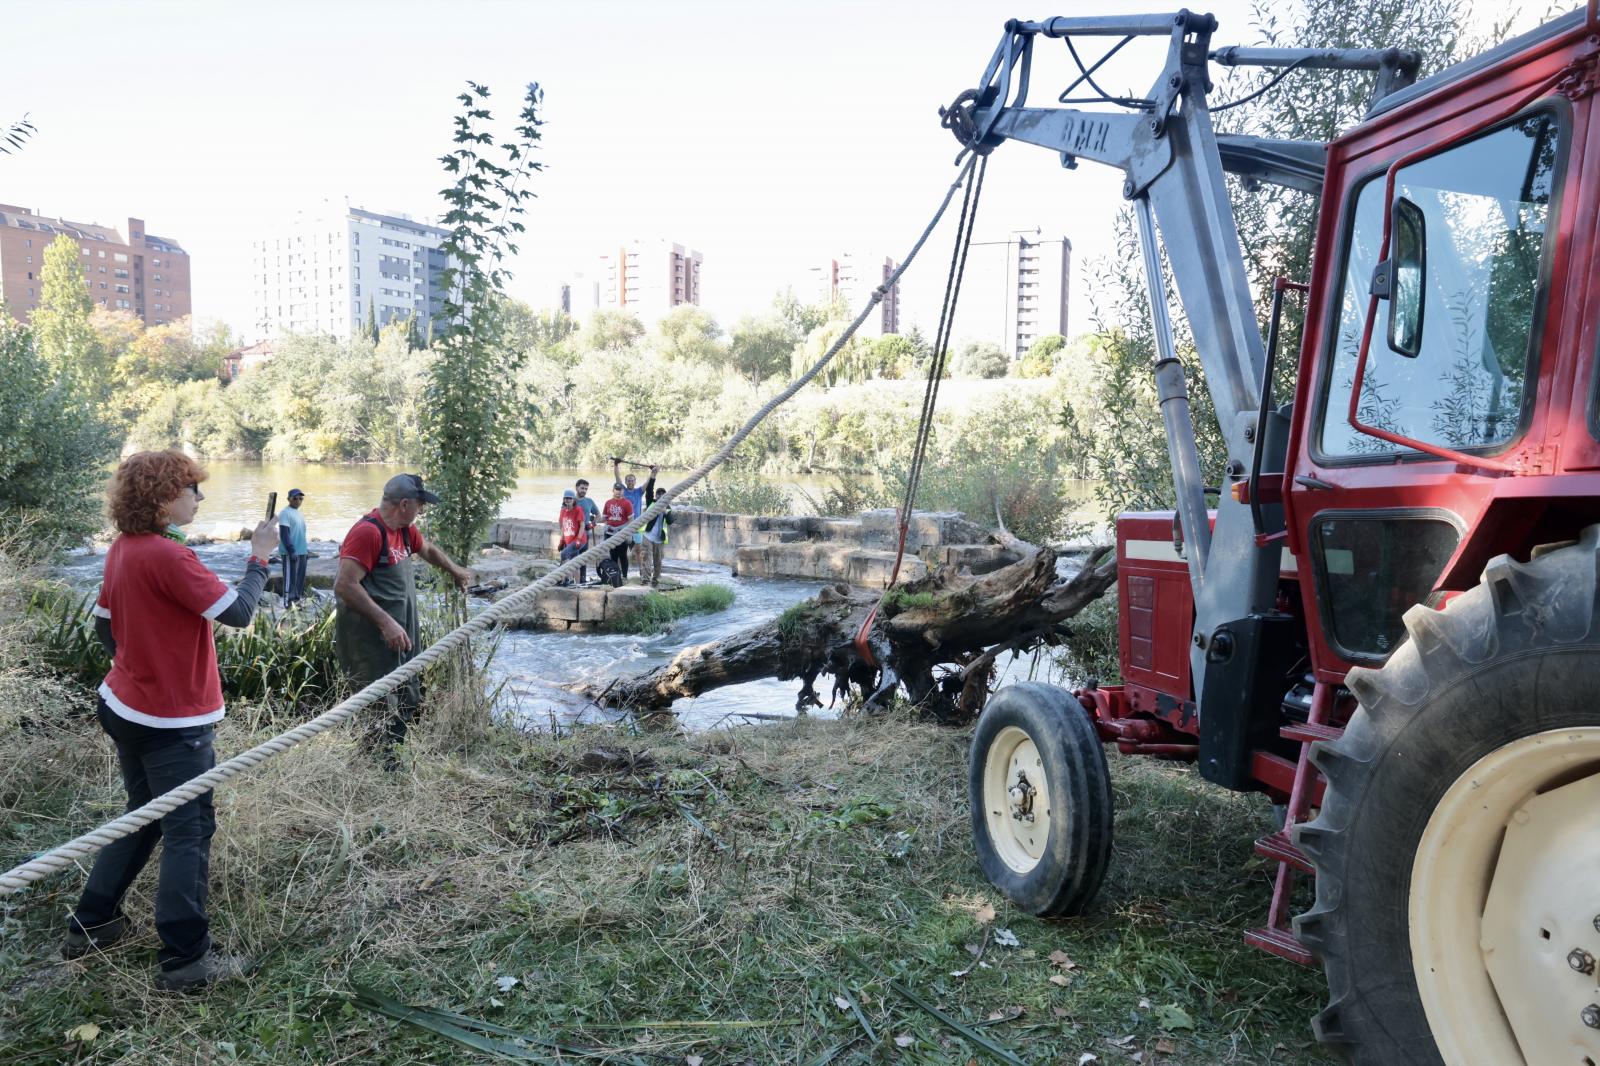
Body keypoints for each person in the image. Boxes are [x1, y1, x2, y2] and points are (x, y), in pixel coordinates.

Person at [64, 450, 279, 991]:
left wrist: (141, 663)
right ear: (163, 497)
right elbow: (238, 614)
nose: (200, 498)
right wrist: (259, 558)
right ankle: (186, 960)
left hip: (122, 706)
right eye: (192, 489)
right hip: (169, 724)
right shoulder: (168, 556)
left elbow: (104, 629)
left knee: (144, 815)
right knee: (189, 830)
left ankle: (92, 925)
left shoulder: (123, 548)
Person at [333, 473, 471, 754]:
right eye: (421, 504)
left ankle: (393, 762)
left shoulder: (405, 530)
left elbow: (428, 550)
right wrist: (385, 623)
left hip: (402, 634)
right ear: (405, 504)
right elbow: (345, 584)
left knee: (408, 695)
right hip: (370, 639)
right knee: (378, 704)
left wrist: (455, 570)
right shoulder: (368, 533)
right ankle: (373, 767)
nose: (422, 510)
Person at [639, 471, 673, 588]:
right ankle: (645, 580)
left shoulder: (668, 507)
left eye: (663, 495)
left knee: (658, 561)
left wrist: (665, 512)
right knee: (646, 558)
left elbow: (671, 521)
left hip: (659, 539)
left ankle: (656, 580)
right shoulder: (651, 503)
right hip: (647, 536)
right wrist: (653, 476)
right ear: (656, 496)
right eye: (658, 494)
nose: (660, 496)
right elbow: (649, 491)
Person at [613, 458, 648, 572]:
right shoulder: (623, 491)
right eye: (628, 480)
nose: (630, 482)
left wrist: (652, 472)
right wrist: (616, 465)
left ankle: (642, 571)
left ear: (635, 481)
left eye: (632, 480)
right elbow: (617, 478)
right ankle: (620, 572)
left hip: (637, 525)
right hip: (625, 524)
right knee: (621, 550)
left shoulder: (639, 491)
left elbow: (648, 483)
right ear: (626, 482)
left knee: (638, 550)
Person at [277, 488, 309, 605]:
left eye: (301, 498)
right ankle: (287, 602)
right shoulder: (285, 513)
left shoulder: (300, 513)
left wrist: (306, 550)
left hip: (302, 551)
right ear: (288, 499)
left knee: (299, 579)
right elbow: (284, 534)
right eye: (295, 498)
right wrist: (291, 550)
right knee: (290, 579)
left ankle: (296, 601)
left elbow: (301, 533)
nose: (298, 501)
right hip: (291, 552)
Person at [599, 481, 635, 584]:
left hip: (622, 533)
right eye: (617, 490)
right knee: (613, 555)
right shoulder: (608, 502)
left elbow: (631, 520)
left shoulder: (627, 503)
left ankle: (624, 576)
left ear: (623, 491)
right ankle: (615, 575)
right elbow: (604, 518)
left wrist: (629, 534)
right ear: (613, 490)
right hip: (610, 533)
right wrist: (595, 521)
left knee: (623, 555)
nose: (618, 492)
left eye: (620, 490)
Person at [556, 487, 589, 585]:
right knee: (575, 563)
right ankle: (577, 585)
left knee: (563, 555)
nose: (568, 500)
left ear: (573, 500)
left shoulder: (578, 510)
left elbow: (582, 525)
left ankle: (566, 579)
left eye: (570, 498)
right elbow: (563, 527)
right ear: (564, 500)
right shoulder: (563, 511)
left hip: (579, 540)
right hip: (568, 540)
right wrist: (561, 541)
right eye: (566, 498)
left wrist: (578, 539)